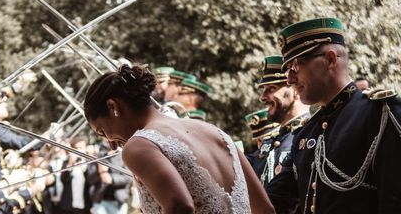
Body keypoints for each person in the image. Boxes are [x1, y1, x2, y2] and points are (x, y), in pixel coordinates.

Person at [84, 64, 275, 214]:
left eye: (102, 131)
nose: (110, 143)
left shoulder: (139, 145)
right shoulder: (217, 133)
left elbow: (179, 206)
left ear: (113, 107)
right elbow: (265, 209)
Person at [266, 18, 401, 213]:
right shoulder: (305, 133)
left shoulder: (381, 114)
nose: (289, 79)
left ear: (330, 59)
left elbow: (394, 202)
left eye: (296, 66)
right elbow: (275, 200)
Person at [256, 55, 309, 185]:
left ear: (295, 90)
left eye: (272, 88)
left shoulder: (309, 136)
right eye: (264, 90)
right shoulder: (270, 141)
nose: (262, 97)